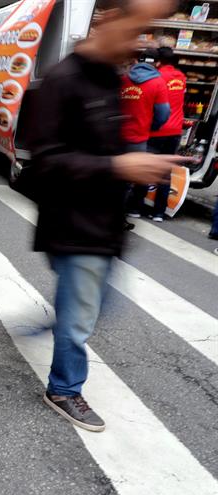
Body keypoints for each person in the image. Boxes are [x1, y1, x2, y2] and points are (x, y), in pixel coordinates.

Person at [28, 0, 182, 433]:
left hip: (103, 224)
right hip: (74, 226)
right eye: (136, 31)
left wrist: (135, 162)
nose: (142, 45)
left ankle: (59, 320)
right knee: (80, 318)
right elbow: (45, 164)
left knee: (94, 305)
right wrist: (120, 167)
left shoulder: (110, 79)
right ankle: (63, 388)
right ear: (109, 21)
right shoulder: (62, 81)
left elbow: (104, 147)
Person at [121, 47, 171, 218]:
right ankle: (122, 213)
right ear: (157, 63)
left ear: (139, 60)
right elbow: (163, 113)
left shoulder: (124, 78)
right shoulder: (158, 82)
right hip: (138, 138)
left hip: (116, 136)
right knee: (132, 177)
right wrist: (153, 126)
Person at [148, 46, 187, 222]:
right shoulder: (181, 78)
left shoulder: (157, 77)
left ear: (159, 61)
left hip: (159, 129)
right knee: (165, 172)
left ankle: (134, 208)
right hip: (175, 130)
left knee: (146, 168)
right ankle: (158, 213)